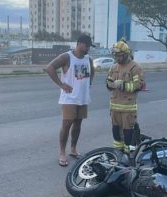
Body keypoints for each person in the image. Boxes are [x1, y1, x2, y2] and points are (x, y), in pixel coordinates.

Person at [45, 34, 95, 167]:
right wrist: (61, 84)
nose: (89, 48)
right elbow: (49, 68)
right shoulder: (67, 57)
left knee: (78, 124)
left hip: (83, 97)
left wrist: (89, 83)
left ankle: (73, 149)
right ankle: (62, 152)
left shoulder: (88, 59)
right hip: (69, 98)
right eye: (87, 45)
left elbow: (92, 70)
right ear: (80, 44)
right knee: (66, 125)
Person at [106, 40, 144, 153]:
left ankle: (129, 156)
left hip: (128, 108)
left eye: (119, 55)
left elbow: (138, 86)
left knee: (128, 135)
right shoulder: (114, 68)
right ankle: (118, 155)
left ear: (126, 54)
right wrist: (111, 84)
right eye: (115, 55)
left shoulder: (135, 68)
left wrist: (123, 85)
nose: (117, 57)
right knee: (116, 134)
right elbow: (108, 83)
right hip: (115, 107)